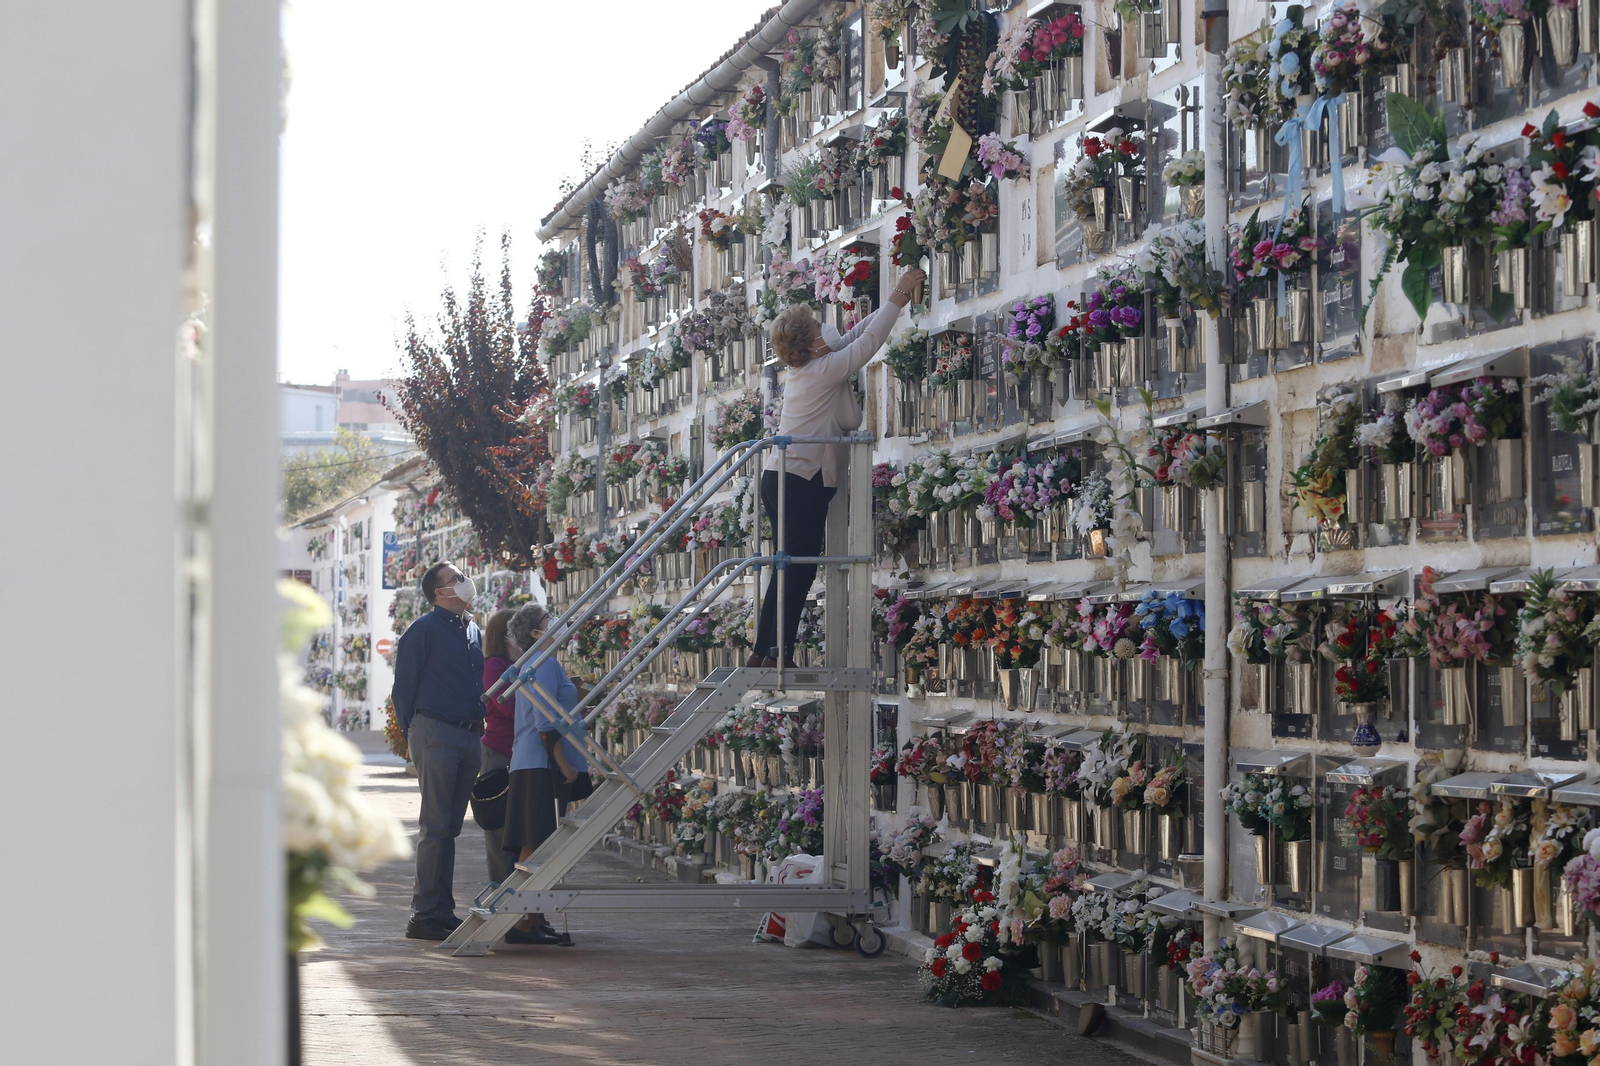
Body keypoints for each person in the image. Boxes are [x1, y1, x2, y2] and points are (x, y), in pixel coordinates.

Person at [749, 266, 927, 667]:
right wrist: (899, 293)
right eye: (815, 325)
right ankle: (771, 651)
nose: (823, 327)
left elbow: (855, 334)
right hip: (799, 481)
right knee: (795, 568)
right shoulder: (821, 370)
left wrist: (890, 304)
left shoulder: (814, 365)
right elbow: (867, 344)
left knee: (790, 566)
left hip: (788, 477)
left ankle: (769, 651)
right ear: (809, 344)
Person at [391, 561, 485, 941]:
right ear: (438, 593)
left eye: (462, 576)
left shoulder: (472, 628)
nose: (463, 582)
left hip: (468, 735)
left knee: (449, 829)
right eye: (455, 579)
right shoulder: (422, 630)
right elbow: (404, 688)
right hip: (435, 732)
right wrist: (414, 731)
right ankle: (423, 913)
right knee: (434, 827)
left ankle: (441, 910)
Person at [501, 603, 586, 946]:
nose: (554, 624)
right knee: (535, 844)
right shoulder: (544, 662)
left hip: (529, 761)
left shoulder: (536, 661)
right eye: (547, 621)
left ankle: (533, 918)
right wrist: (562, 763)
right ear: (536, 632)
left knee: (537, 842)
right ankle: (522, 921)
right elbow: (544, 719)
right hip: (540, 763)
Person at [479, 609, 519, 887]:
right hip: (499, 753)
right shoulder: (494, 665)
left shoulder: (518, 663)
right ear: (506, 635)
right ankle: (501, 897)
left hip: (520, 754)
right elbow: (506, 706)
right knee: (499, 832)